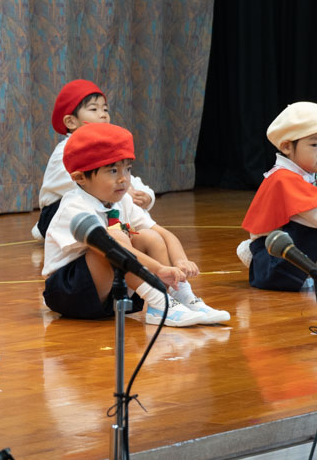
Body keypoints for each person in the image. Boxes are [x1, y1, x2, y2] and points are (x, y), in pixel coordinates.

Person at [42, 123, 229, 327]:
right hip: (70, 292)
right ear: (80, 178)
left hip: (109, 292)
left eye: (128, 169)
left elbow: (163, 233)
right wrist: (158, 269)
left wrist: (179, 261)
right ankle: (159, 299)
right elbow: (109, 246)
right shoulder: (74, 206)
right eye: (113, 170)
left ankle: (181, 297)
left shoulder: (122, 201)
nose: (124, 179)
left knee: (149, 236)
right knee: (114, 238)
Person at [31, 79, 155, 239]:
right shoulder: (65, 149)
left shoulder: (105, 146)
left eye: (105, 109)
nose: (103, 114)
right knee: (115, 198)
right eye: (94, 109)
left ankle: (131, 232)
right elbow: (84, 183)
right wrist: (125, 193)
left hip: (97, 202)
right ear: (71, 121)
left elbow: (123, 174)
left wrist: (146, 195)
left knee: (121, 201)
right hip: (59, 211)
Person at [238, 102, 317, 290]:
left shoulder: (305, 174)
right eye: (315, 144)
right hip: (277, 264)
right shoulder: (284, 178)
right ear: (287, 147)